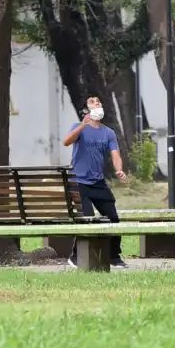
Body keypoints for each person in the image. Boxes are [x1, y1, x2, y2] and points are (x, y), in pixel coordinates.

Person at [63, 96, 128, 268]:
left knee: (113, 217)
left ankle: (114, 256)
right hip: (79, 181)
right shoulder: (78, 127)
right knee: (87, 219)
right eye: (92, 102)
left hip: (98, 182)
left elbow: (115, 154)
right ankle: (76, 256)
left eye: (98, 101)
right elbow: (66, 142)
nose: (97, 103)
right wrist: (83, 124)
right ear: (86, 109)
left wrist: (119, 169)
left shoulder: (108, 132)